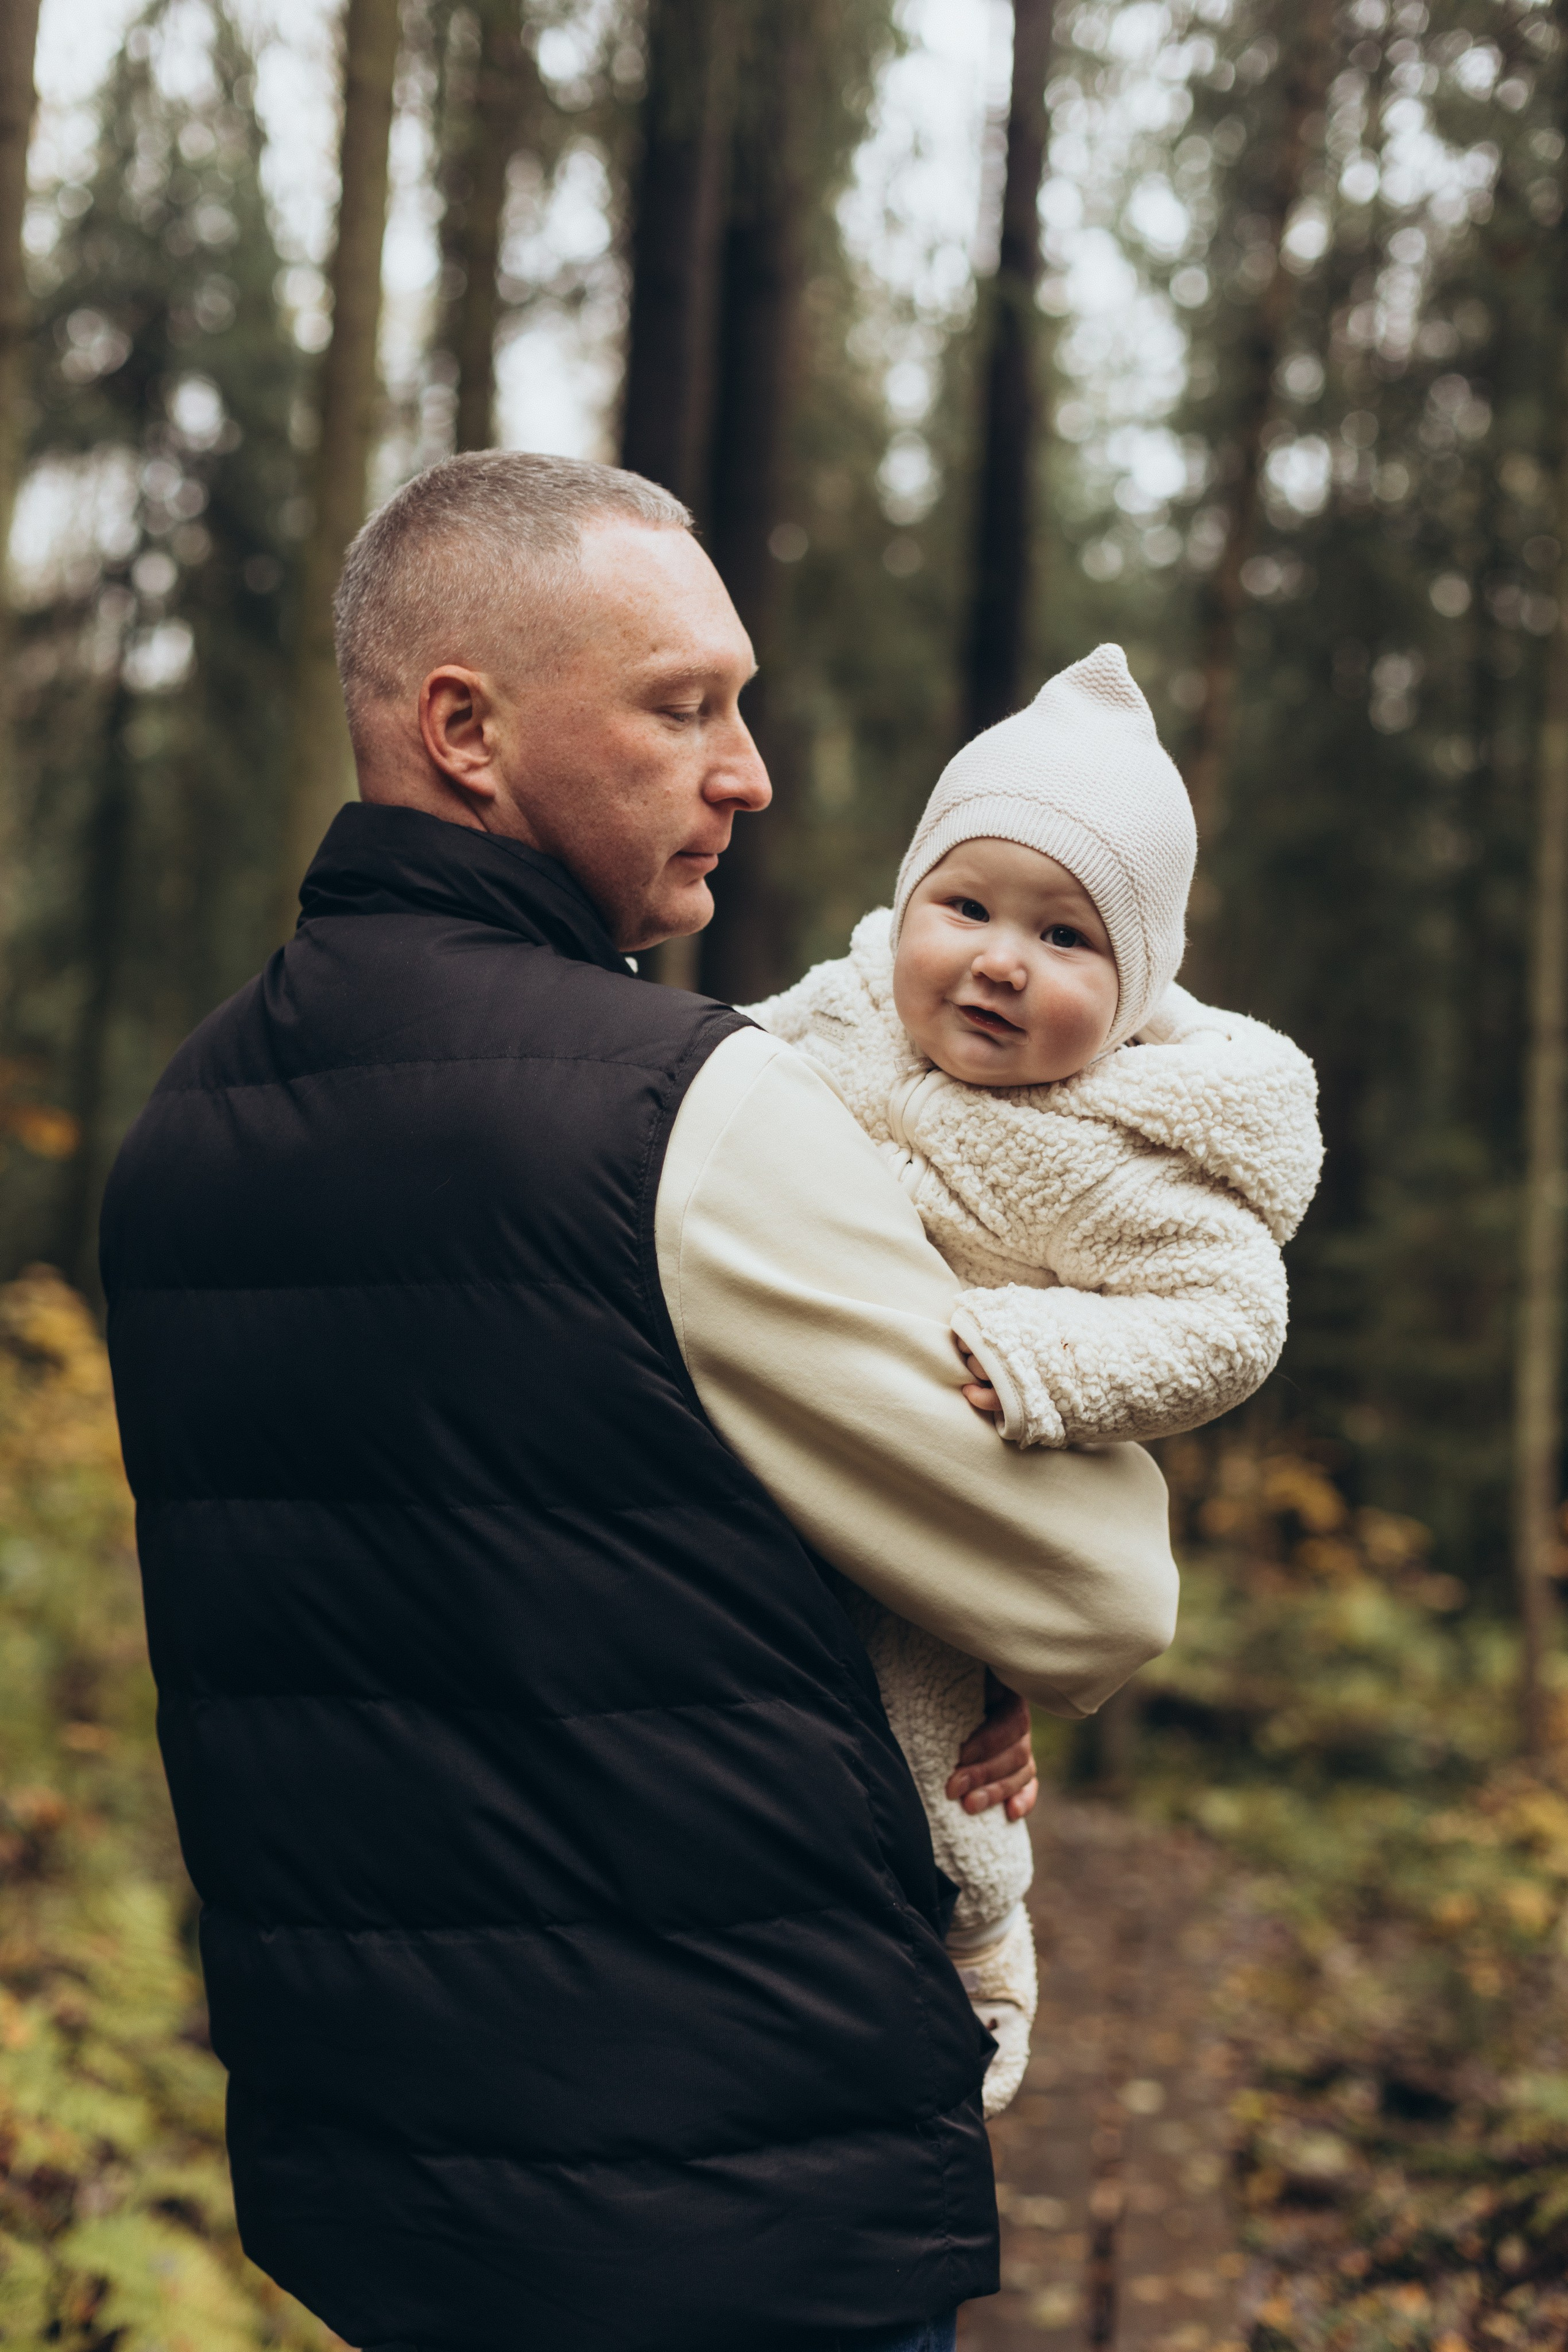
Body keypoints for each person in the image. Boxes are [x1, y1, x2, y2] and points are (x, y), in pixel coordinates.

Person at [99, 452, 1180, 2352]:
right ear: (467, 733)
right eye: (684, 708)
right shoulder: (691, 1112)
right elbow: (1098, 1596)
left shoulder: (187, 1130)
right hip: (732, 2208)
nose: (748, 772)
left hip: (379, 2201)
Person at [746, 643, 1321, 2117]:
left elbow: (1228, 1317)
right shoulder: (835, 1016)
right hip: (780, 1457)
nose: (1001, 959)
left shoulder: (1112, 1154)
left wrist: (1036, 1357)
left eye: (1066, 938)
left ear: (1135, 993)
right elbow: (702, 1080)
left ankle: (981, 1939)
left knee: (948, 1762)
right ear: (905, 908)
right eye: (966, 908)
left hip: (957, 1487)